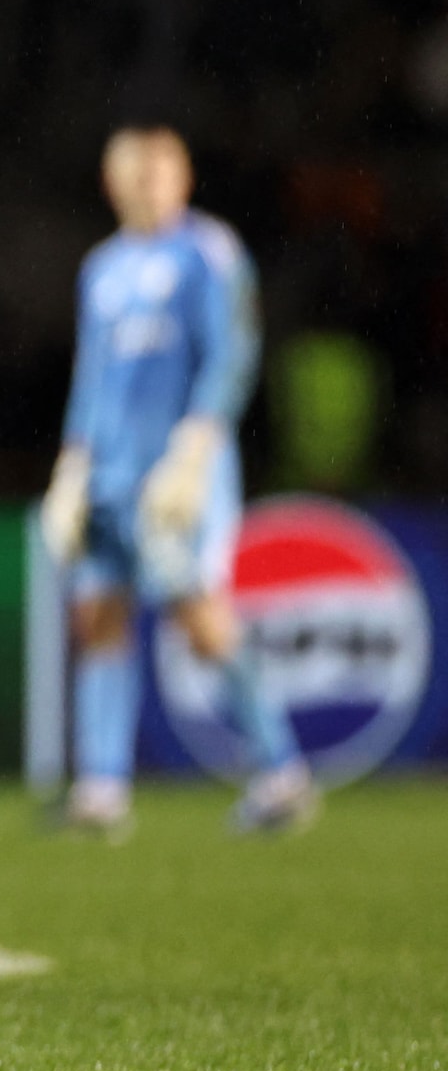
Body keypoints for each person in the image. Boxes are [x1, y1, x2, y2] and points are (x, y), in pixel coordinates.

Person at [39, 125, 316, 838]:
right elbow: (92, 374)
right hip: (107, 471)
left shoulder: (208, 253)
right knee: (99, 616)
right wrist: (72, 461)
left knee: (199, 618)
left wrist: (196, 445)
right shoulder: (100, 267)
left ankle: (281, 771)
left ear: (184, 178)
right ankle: (102, 790)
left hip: (175, 475)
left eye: (160, 172)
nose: (148, 185)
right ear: (113, 183)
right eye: (135, 173)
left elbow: (233, 352)